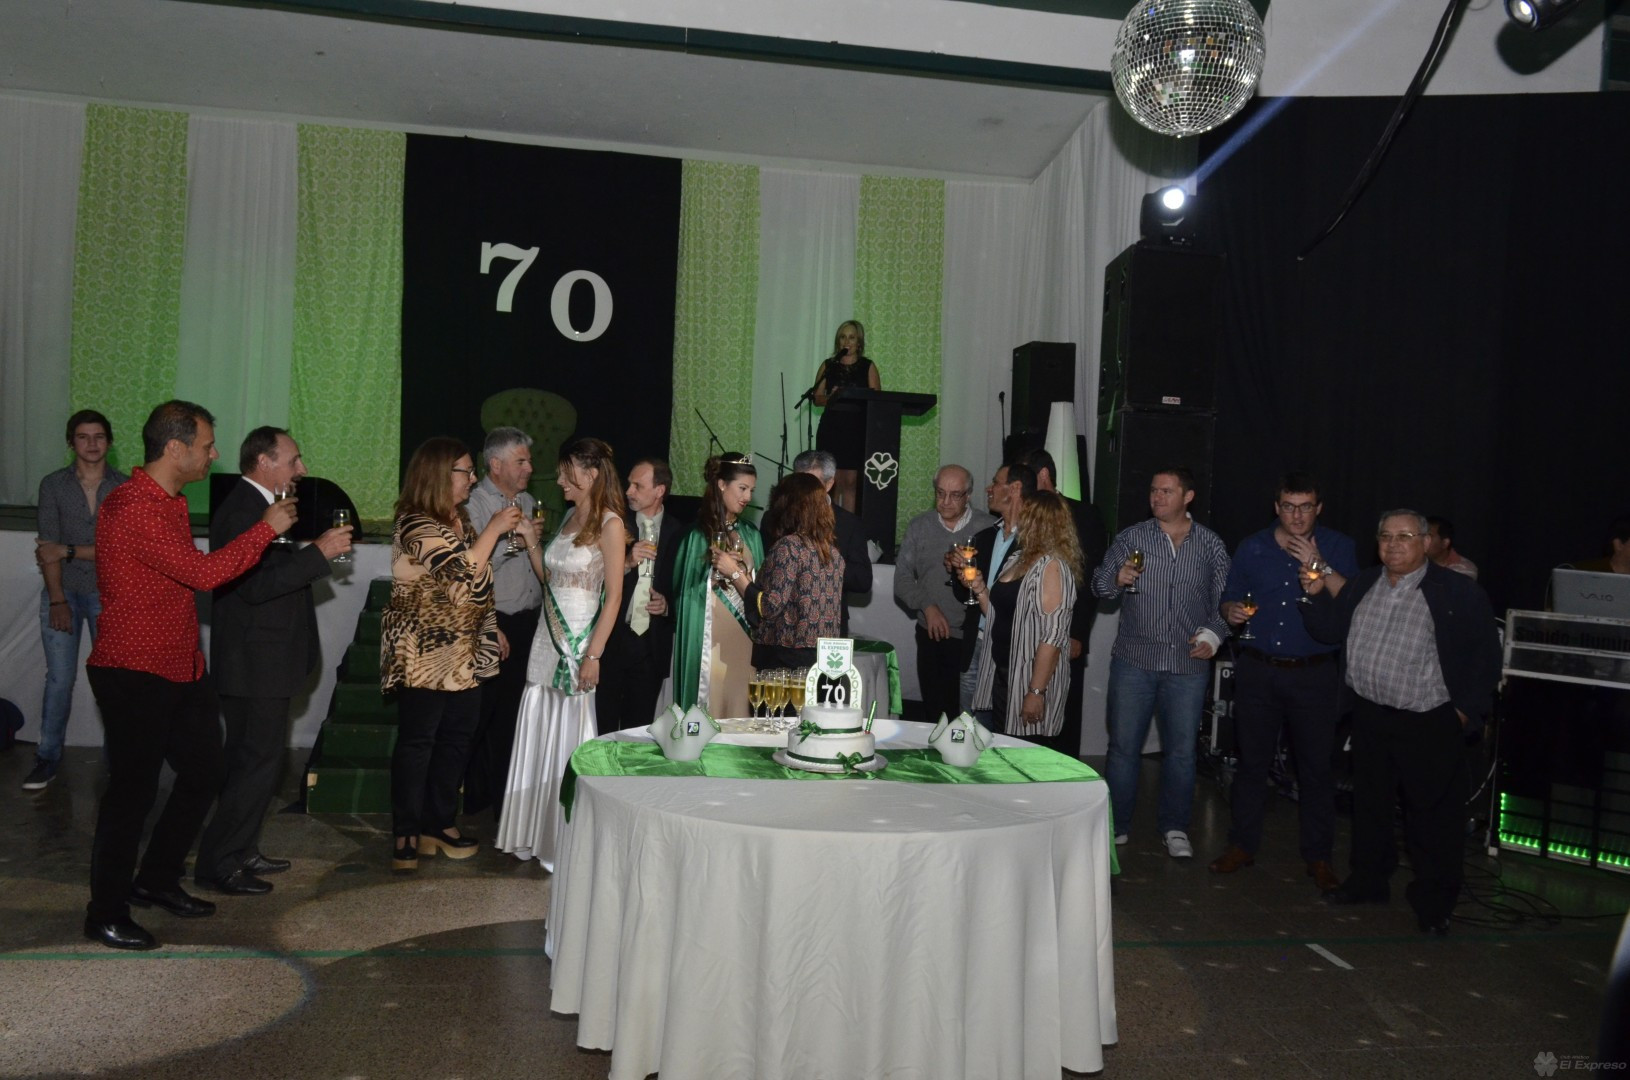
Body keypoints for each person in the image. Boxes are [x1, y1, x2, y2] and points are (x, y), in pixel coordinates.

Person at [82, 400, 295, 951]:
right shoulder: (132, 506)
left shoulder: (171, 502)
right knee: (132, 794)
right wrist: (264, 529)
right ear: (175, 448)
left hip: (180, 666)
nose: (214, 455)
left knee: (205, 773)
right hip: (133, 669)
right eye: (206, 446)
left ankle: (156, 878)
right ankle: (105, 912)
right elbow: (204, 575)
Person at [1302, 510, 1501, 935]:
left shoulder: (1456, 591)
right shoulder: (1363, 584)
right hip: (1371, 715)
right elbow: (1328, 632)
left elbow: (1485, 658)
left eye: (1405, 536)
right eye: (1386, 536)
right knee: (1369, 808)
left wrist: (1464, 712)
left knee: (1431, 818)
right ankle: (1369, 882)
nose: (1393, 544)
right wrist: (1315, 594)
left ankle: (1433, 903)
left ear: (1426, 542)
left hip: (1429, 720)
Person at [195, 427, 352, 897]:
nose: (302, 469)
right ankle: (220, 864)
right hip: (254, 663)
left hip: (264, 661)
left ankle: (242, 849)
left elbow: (270, 575)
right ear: (264, 462)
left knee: (258, 764)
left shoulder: (268, 507)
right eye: (293, 460)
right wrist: (318, 554)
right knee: (252, 764)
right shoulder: (243, 511)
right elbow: (254, 587)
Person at [1207, 473, 1357, 894]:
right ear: (1277, 508)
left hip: (1314, 673)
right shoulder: (1253, 546)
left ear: (1318, 508)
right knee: (1251, 764)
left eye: (1305, 507)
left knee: (1315, 770)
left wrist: (1318, 562)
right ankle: (1242, 845)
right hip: (1259, 670)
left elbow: (1353, 601)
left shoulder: (1339, 546)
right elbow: (1230, 595)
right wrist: (1231, 610)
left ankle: (1319, 857)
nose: (1297, 516)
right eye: (1289, 507)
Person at [380, 437, 520, 874]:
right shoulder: (414, 523)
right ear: (440, 474)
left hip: (466, 650)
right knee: (418, 742)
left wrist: (491, 627)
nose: (473, 479)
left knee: (458, 739)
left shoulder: (460, 521)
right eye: (466, 471)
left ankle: (438, 823)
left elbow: (480, 584)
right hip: (425, 651)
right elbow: (459, 576)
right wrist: (495, 529)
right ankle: (406, 831)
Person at [496, 438, 626, 869]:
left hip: (579, 644)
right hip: (545, 640)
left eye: (567, 473)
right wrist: (531, 541)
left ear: (591, 475)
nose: (559, 481)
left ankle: (565, 841)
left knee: (570, 735)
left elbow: (613, 598)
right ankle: (534, 832)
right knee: (539, 727)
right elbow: (550, 579)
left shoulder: (611, 524)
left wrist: (594, 655)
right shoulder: (570, 517)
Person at [1091, 466, 1230, 859]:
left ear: (1188, 496)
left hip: (1187, 665)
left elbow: (1226, 601)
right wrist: (1116, 579)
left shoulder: (1210, 544)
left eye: (1167, 491)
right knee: (1123, 749)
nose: (1157, 497)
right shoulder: (1132, 537)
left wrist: (1214, 635)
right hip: (1134, 661)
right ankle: (1115, 826)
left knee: (1182, 753)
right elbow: (1099, 585)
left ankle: (1175, 827)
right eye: (1154, 490)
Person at [27, 410, 126, 791]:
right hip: (63, 591)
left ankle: (119, 763)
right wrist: (57, 600)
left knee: (112, 683)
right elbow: (47, 550)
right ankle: (47, 758)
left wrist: (67, 550)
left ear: (109, 442)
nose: (92, 444)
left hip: (109, 594)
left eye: (99, 436)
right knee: (59, 680)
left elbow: (120, 550)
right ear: (71, 442)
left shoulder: (124, 487)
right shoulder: (53, 485)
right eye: (83, 437)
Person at [462, 427, 542, 819]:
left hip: (529, 621)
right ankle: (475, 797)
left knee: (515, 715)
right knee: (483, 714)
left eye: (529, 460)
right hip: (494, 622)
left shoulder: (526, 501)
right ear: (496, 464)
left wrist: (534, 543)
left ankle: (505, 801)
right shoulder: (474, 505)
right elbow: (471, 567)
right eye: (521, 461)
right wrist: (515, 543)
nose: (529, 468)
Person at [967, 491, 1082, 749]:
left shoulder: (1052, 566)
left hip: (1027, 679)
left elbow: (1053, 636)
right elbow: (998, 614)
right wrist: (980, 588)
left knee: (1023, 756)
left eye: (1026, 514)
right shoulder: (1018, 558)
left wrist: (1035, 692)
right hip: (1002, 674)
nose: (1020, 518)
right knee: (1000, 753)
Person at [1021, 447, 1108, 757]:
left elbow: (1090, 580)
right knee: (1025, 728)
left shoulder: (1084, 514)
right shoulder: (1023, 513)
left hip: (1068, 634)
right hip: (1025, 639)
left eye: (1027, 478)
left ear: (1043, 474)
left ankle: (1064, 783)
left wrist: (1078, 633)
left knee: (1063, 724)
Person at [893, 465, 994, 722]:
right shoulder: (920, 526)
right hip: (931, 634)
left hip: (974, 639)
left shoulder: (987, 528)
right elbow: (902, 580)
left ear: (968, 495)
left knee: (968, 718)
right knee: (935, 717)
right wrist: (927, 605)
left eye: (955, 495)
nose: (946, 501)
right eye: (940, 493)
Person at [715, 472, 845, 671]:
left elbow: (769, 607)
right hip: (824, 662)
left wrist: (734, 573)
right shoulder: (833, 553)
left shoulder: (789, 546)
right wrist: (748, 578)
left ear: (786, 505)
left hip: (786, 662)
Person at [670, 453, 763, 711]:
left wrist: (740, 573)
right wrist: (712, 575)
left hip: (743, 634)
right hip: (709, 634)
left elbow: (762, 590)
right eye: (742, 488)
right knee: (710, 702)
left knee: (740, 705)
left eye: (751, 490)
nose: (747, 496)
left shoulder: (752, 534)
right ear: (722, 484)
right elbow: (682, 593)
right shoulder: (695, 536)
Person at [599, 458, 683, 732]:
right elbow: (589, 580)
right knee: (603, 725)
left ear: (660, 491)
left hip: (652, 645)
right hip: (612, 639)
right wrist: (625, 563)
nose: (629, 491)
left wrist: (668, 607)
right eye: (629, 484)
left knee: (638, 731)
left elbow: (686, 589)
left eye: (638, 486)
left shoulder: (679, 533)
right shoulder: (615, 525)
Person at [953, 463, 1037, 722]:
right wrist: (959, 571)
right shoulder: (985, 537)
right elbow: (963, 595)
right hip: (976, 642)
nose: (989, 489)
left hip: (1009, 648)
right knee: (969, 724)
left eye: (996, 482)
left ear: (1015, 488)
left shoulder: (1034, 543)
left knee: (1002, 727)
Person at [792, 448, 872, 634]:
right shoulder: (777, 518)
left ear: (829, 484)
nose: (803, 491)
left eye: (811, 484)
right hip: (787, 623)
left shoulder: (849, 524)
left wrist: (824, 559)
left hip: (830, 623)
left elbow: (863, 580)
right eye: (799, 483)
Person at [811, 320, 881, 512]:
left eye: (851, 337)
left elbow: (877, 400)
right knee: (831, 480)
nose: (847, 341)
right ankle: (829, 523)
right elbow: (816, 398)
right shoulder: (829, 366)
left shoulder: (868, 366)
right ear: (838, 341)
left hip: (856, 429)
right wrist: (832, 397)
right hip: (832, 428)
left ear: (859, 342)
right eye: (843, 337)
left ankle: (848, 525)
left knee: (851, 482)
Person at [1424, 516, 1478, 580]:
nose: (1422, 540)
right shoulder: (1419, 560)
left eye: (1428, 537)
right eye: (1421, 535)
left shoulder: (1464, 568)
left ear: (1445, 543)